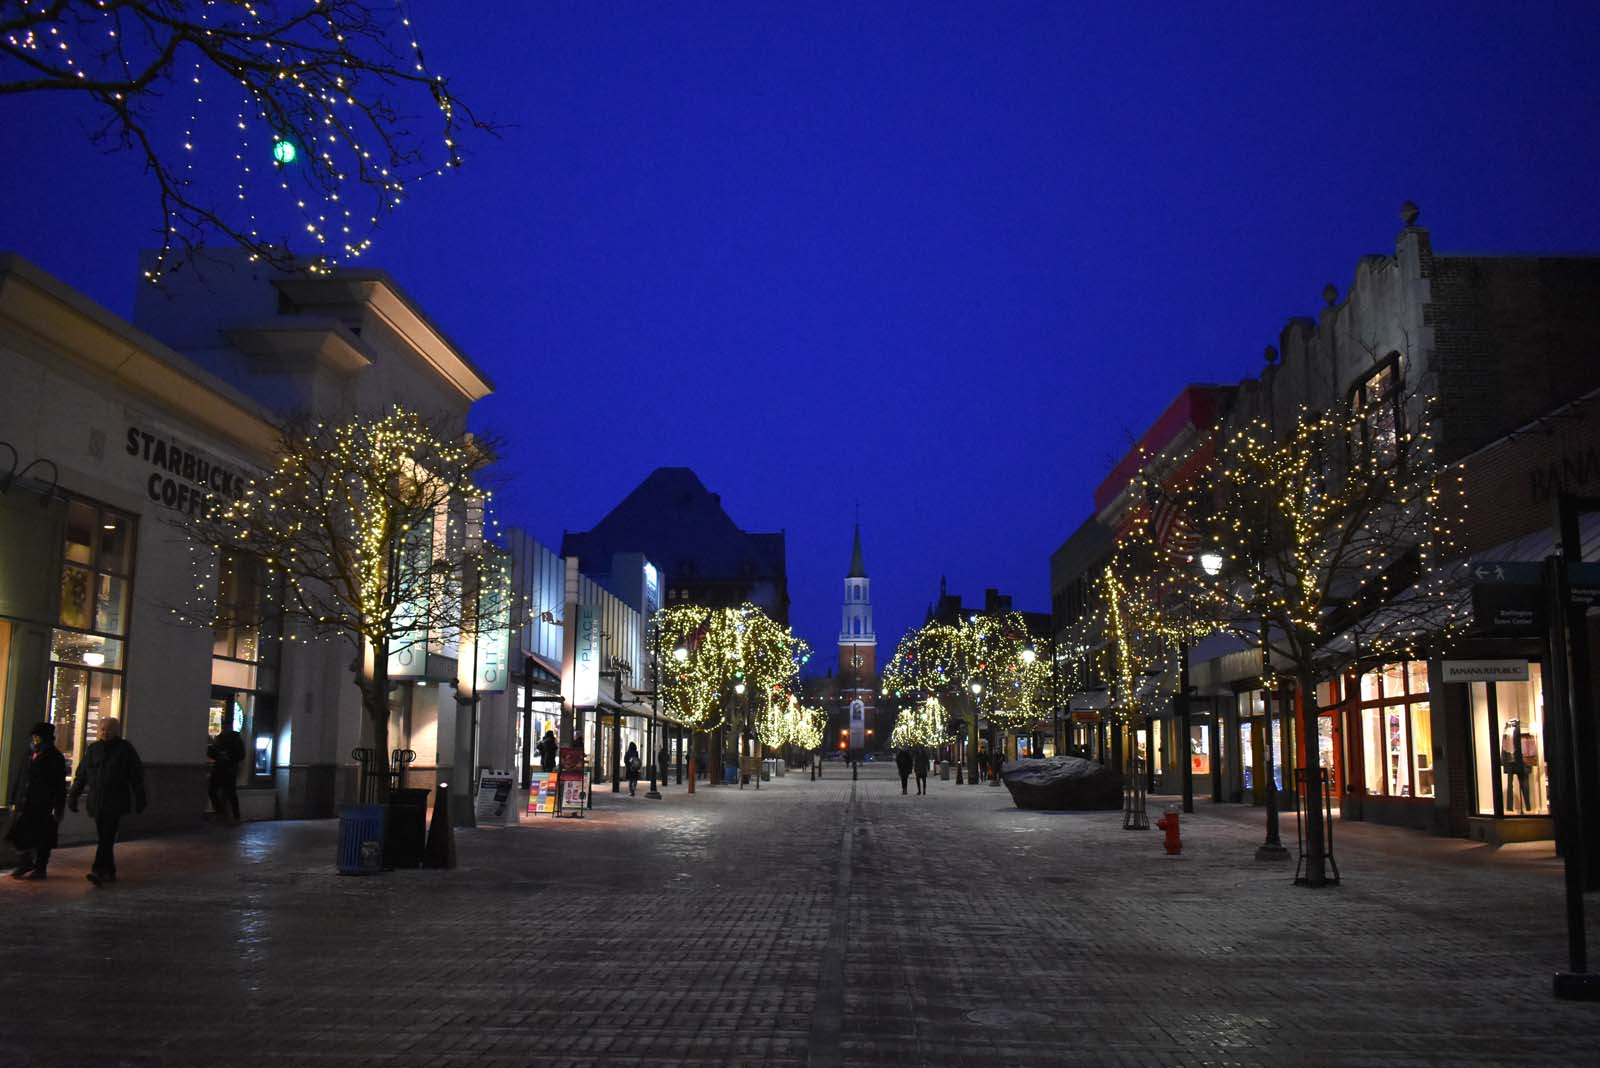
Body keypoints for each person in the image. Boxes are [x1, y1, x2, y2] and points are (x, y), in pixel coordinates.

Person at [67, 717, 146, 885]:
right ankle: (108, 870)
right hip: (97, 800)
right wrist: (74, 795)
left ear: (116, 731)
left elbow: (136, 776)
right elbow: (82, 774)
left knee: (107, 836)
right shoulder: (94, 749)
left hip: (115, 800)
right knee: (104, 836)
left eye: (108, 729)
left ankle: (97, 870)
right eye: (102, 729)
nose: (105, 732)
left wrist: (140, 799)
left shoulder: (125, 749)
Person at [7, 722, 67, 880]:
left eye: (37, 737)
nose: (34, 740)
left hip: (43, 803)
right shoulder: (29, 753)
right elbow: (20, 776)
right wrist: (15, 798)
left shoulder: (55, 757)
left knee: (43, 837)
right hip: (26, 801)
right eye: (33, 737)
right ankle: (25, 861)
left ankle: (40, 867)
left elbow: (59, 785)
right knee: (18, 835)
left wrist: (58, 806)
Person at [207, 721, 245, 825]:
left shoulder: (235, 739)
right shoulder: (219, 738)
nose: (224, 728)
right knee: (213, 790)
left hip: (229, 769)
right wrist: (215, 754)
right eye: (223, 726)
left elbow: (241, 754)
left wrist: (229, 757)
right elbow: (212, 752)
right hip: (220, 768)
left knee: (230, 793)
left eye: (226, 726)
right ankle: (221, 813)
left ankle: (235, 816)